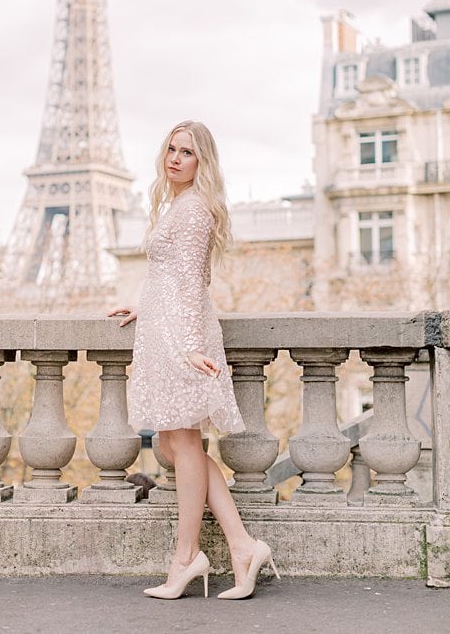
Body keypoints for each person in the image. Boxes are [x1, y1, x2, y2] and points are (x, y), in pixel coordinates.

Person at [109, 120, 278, 600]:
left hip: (180, 336)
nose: (175, 158)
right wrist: (147, 308)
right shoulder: (181, 205)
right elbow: (176, 278)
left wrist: (187, 346)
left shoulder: (195, 210)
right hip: (166, 329)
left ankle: (185, 558)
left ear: (202, 161)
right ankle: (243, 546)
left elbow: (190, 284)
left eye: (187, 152)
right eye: (171, 149)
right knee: (173, 444)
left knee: (182, 445)